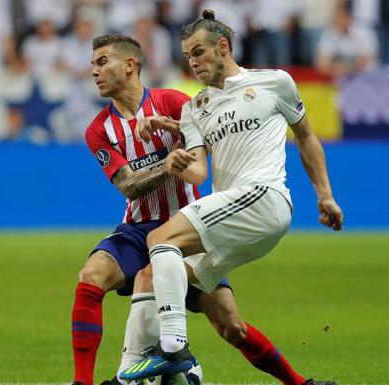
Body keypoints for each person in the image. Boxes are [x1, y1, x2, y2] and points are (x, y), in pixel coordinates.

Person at [73, 33, 326, 385]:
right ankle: (85, 381)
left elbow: (208, 136)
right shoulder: (99, 130)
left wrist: (170, 127)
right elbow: (128, 187)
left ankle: (298, 383)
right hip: (138, 228)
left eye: (102, 63)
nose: (94, 72)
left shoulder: (174, 101)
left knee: (232, 327)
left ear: (130, 65)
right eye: (93, 66)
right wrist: (167, 165)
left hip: (189, 227)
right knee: (91, 275)